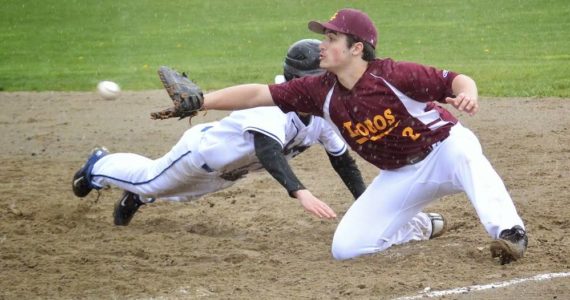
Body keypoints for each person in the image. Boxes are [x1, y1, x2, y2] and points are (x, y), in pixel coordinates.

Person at [192, 9, 528, 265]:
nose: (321, 45)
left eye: (331, 39)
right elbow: (257, 94)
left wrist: (468, 93)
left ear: (357, 48)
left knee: (468, 154)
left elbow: (455, 80)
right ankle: (421, 227)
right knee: (346, 248)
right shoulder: (319, 90)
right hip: (401, 174)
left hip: (443, 150)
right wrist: (203, 101)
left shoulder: (394, 74)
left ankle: (510, 233)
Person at [71, 39, 369, 226]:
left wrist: (366, 205)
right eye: (320, 80)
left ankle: (138, 196)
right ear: (298, 80)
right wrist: (301, 193)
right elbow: (268, 150)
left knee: (176, 195)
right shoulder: (273, 104)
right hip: (200, 154)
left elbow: (341, 158)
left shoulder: (320, 113)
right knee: (149, 179)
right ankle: (96, 166)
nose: (327, 85)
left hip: (228, 172)